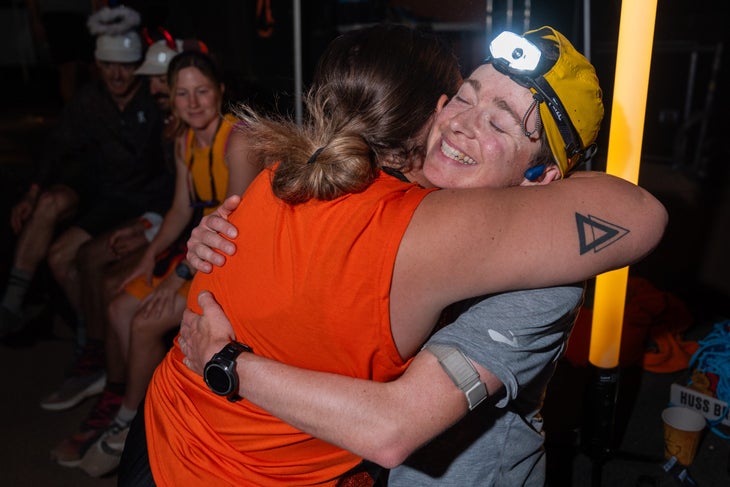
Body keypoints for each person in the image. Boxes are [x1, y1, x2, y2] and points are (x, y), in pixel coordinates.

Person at [124, 24, 666, 487]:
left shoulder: (542, 277)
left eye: (499, 123)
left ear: (544, 180)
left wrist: (227, 363)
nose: (460, 123)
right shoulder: (369, 194)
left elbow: (390, 428)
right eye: (464, 96)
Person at [70, 49, 262, 478]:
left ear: (221, 92)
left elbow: (230, 226)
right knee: (121, 304)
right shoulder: (184, 141)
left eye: (202, 92)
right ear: (171, 98)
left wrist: (173, 278)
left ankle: (129, 424)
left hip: (230, 259)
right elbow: (179, 211)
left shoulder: (241, 139)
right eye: (182, 94)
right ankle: (124, 397)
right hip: (200, 250)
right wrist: (146, 261)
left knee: (143, 321)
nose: (192, 104)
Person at [0, 5, 171, 341]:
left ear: (137, 67)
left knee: (79, 257)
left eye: (125, 67)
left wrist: (151, 223)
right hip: (105, 195)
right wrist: (33, 191)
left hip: (143, 201)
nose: (117, 76)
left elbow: (174, 177)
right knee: (58, 250)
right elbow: (57, 145)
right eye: (109, 66)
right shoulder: (90, 99)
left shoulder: (154, 103)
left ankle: (98, 343)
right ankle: (81, 332)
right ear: (98, 66)